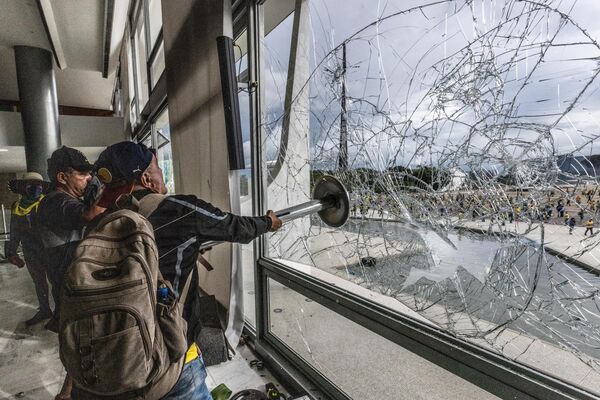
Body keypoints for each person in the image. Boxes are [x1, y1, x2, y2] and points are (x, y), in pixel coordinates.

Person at [92, 141, 283, 399]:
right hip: (170, 360)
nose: (162, 174)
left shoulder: (99, 225)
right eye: (158, 167)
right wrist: (267, 222)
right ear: (147, 178)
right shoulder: (179, 211)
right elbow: (234, 226)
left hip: (114, 358)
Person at [34, 146, 104, 400]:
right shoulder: (55, 202)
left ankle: (68, 392)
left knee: (83, 348)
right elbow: (90, 214)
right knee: (82, 347)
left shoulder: (67, 199)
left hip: (74, 287)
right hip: (70, 290)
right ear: (62, 177)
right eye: (83, 174)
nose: (88, 179)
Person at [4, 172, 52, 325]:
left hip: (50, 250)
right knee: (39, 282)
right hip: (30, 252)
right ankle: (45, 310)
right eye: (31, 185)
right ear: (24, 188)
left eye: (38, 185)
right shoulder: (17, 207)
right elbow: (15, 231)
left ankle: (61, 315)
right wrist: (11, 252)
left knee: (58, 283)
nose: (35, 188)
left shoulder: (48, 203)